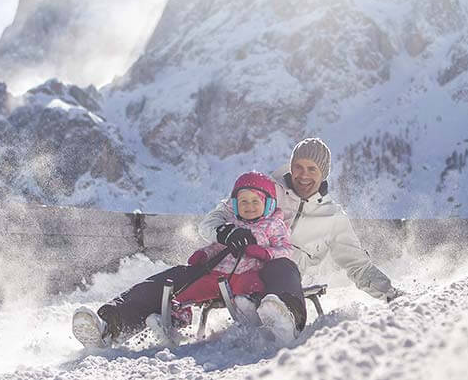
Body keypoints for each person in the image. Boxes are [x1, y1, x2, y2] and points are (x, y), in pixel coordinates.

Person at [72, 171, 301, 348]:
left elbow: (285, 250)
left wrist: (264, 253)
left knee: (271, 278)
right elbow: (210, 233)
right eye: (244, 202)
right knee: (172, 283)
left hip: (256, 276)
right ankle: (110, 325)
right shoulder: (228, 216)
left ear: (268, 204)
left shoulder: (274, 223)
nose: (249, 207)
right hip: (217, 273)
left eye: (255, 202)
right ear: (234, 204)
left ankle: (280, 319)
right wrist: (210, 249)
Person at [199, 137, 402, 329]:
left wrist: (390, 294)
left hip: (284, 283)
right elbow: (210, 221)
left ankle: (285, 319)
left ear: (323, 173)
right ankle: (174, 313)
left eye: (312, 169)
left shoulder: (332, 217)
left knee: (283, 267)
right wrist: (226, 232)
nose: (304, 175)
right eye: (298, 167)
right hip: (240, 270)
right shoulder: (267, 191)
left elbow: (358, 265)